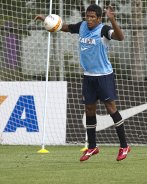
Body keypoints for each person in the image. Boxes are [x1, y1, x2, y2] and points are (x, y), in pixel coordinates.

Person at [35, 4, 130, 162]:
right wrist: (47, 20)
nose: (90, 19)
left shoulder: (104, 30)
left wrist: (112, 20)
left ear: (99, 19)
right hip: (88, 76)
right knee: (89, 109)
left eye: (93, 17)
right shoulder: (82, 26)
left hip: (104, 75)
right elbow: (64, 27)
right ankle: (92, 147)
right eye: (88, 16)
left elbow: (121, 37)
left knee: (111, 108)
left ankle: (124, 145)